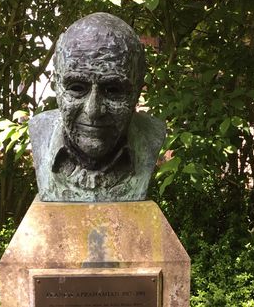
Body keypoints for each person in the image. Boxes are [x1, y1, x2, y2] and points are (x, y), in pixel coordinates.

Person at [29, 12, 165, 202]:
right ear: (57, 87)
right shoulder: (39, 131)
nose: (93, 111)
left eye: (113, 90)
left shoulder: (152, 135)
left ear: (136, 93)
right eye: (77, 88)